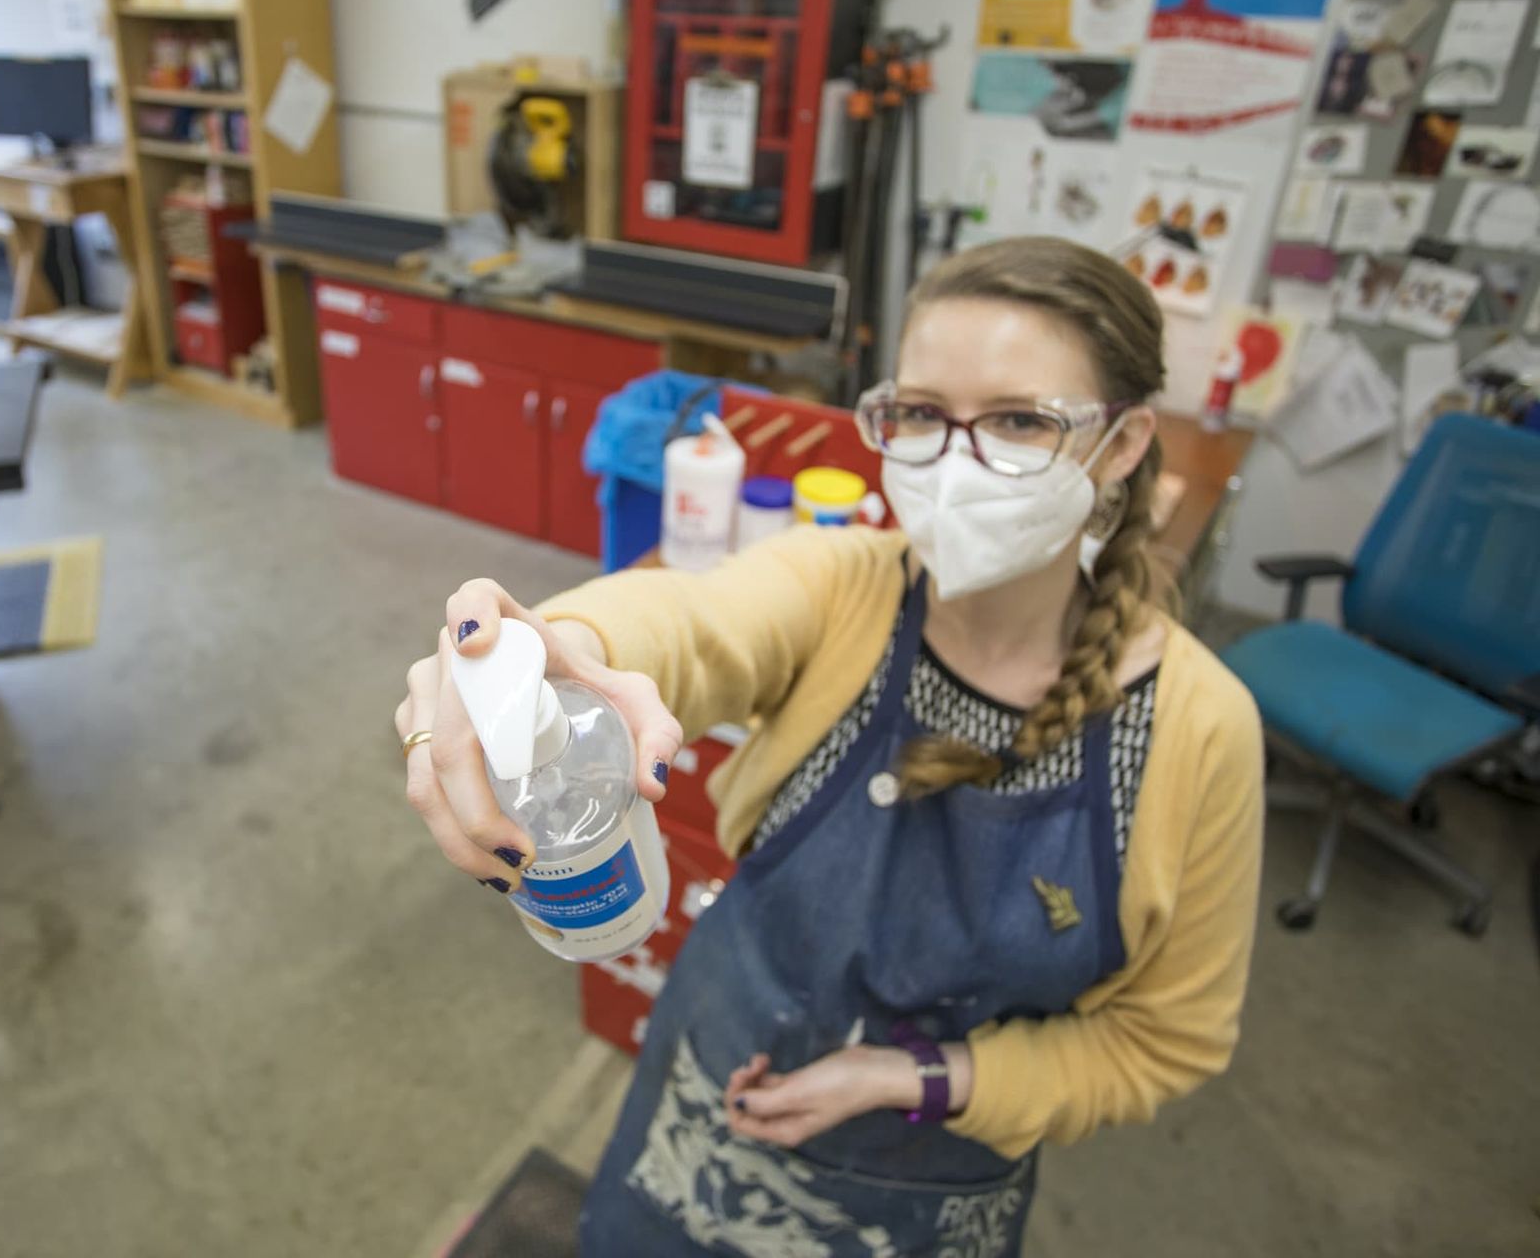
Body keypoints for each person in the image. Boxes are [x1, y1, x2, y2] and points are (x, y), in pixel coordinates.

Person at [394, 237, 1264, 1256]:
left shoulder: (1200, 730)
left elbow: (1165, 1038)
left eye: (1021, 420)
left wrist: (919, 1077)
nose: (957, 460)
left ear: (1120, 445)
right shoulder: (844, 586)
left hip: (928, 1194)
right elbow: (690, 620)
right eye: (926, 413)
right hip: (701, 1103)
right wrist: (554, 659)